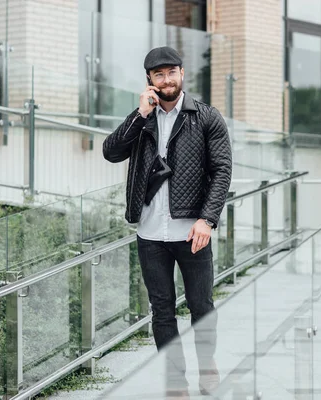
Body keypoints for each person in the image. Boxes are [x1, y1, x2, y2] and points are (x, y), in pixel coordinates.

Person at [103, 46, 232, 398]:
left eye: (171, 72)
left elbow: (222, 172)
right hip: (149, 232)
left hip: (193, 232)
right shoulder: (142, 120)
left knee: (201, 305)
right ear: (149, 79)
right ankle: (176, 381)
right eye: (158, 74)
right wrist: (138, 114)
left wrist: (207, 219)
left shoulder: (206, 117)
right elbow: (111, 152)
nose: (166, 79)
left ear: (182, 74)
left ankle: (208, 365)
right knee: (161, 310)